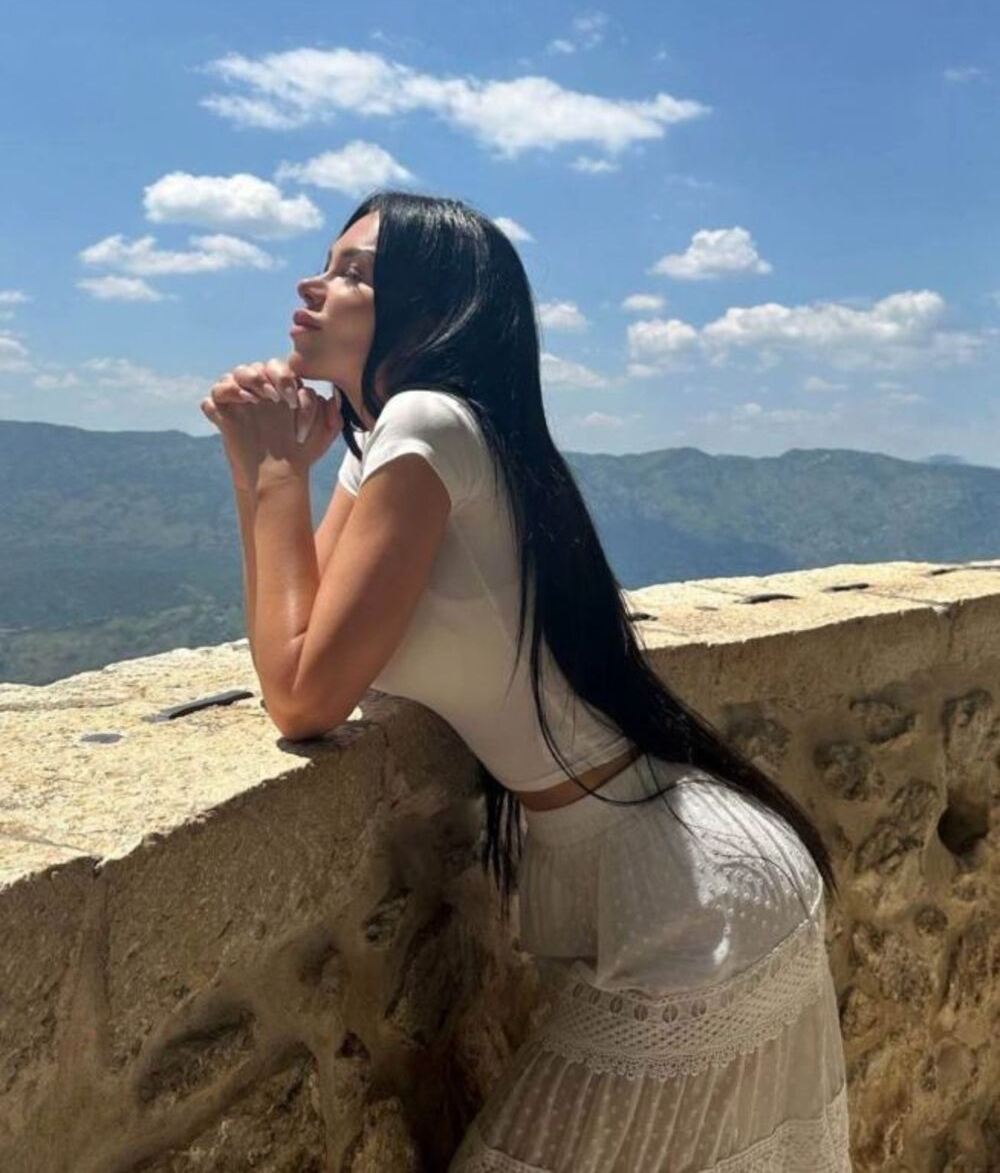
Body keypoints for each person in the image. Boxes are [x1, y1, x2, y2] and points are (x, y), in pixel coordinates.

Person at [200, 191, 852, 1172]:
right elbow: (294, 641)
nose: (313, 283)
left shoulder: (428, 421)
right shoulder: (405, 442)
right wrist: (265, 465)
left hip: (687, 897)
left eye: (354, 272)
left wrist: (274, 472)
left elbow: (301, 693)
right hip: (678, 866)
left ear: (429, 310)